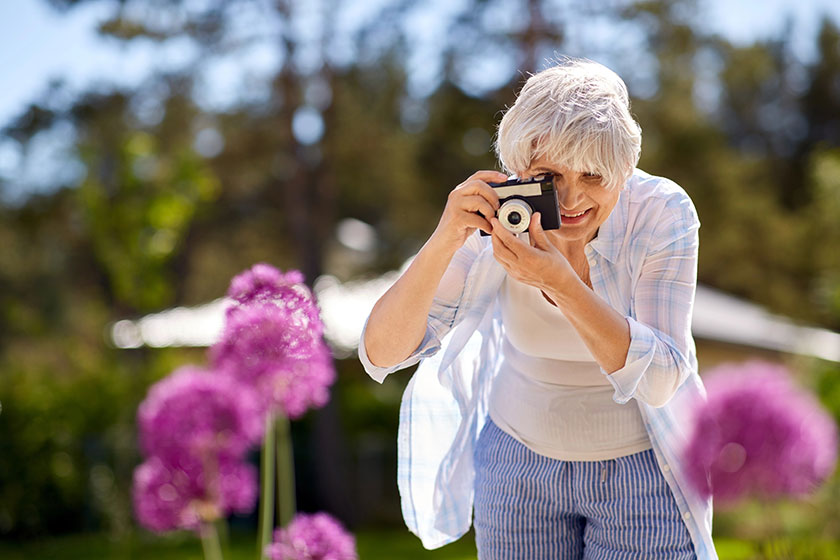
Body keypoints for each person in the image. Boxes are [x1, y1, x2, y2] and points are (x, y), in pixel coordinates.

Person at [358, 57, 716, 560]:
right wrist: (446, 237)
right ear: (519, 168)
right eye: (550, 175)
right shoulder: (503, 216)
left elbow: (662, 379)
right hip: (518, 467)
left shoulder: (661, 213)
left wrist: (562, 284)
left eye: (594, 175)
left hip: (643, 468)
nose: (571, 199)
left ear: (625, 171)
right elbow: (380, 353)